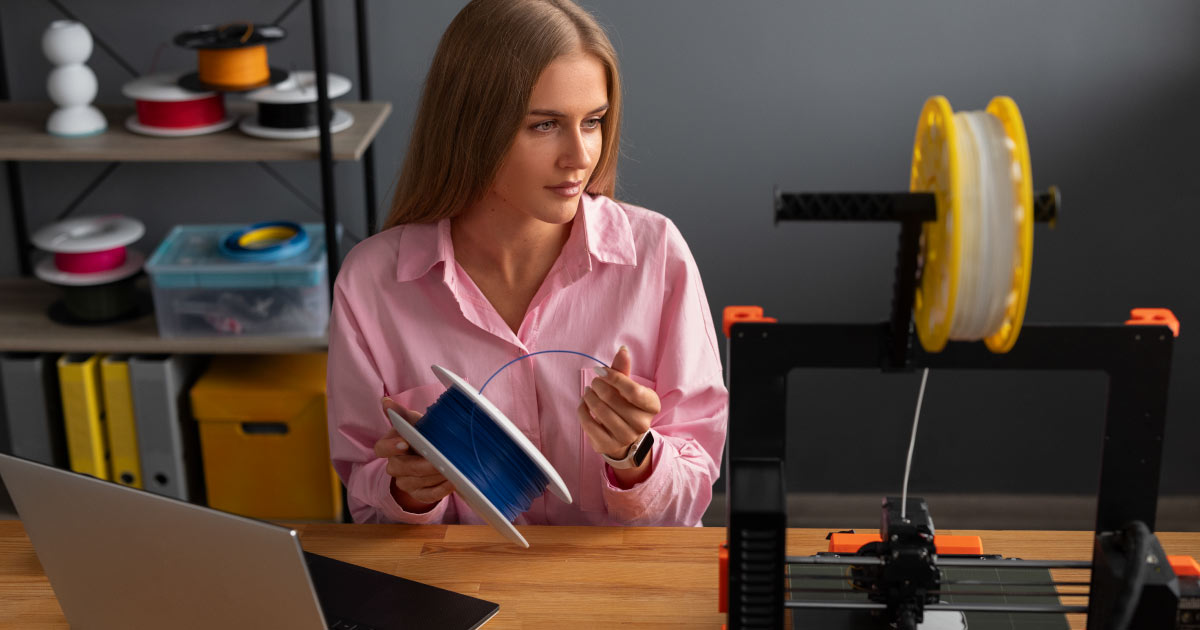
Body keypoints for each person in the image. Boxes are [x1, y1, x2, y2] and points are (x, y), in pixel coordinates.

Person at [326, 0, 727, 527]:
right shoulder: (371, 283)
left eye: (594, 122)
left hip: (621, 596)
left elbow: (689, 503)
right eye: (544, 125)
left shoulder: (656, 255)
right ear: (470, 127)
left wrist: (635, 458)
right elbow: (367, 508)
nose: (580, 156)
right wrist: (410, 494)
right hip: (459, 597)